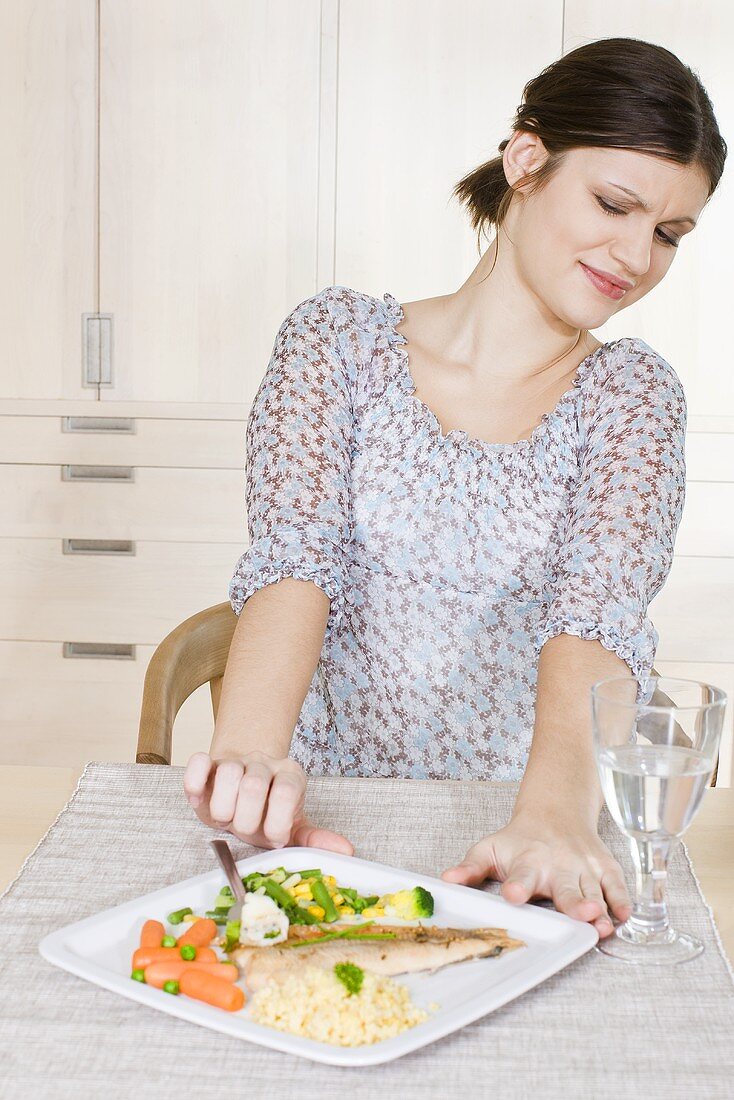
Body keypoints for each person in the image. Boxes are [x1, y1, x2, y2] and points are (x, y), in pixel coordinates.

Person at [183, 37, 726, 939]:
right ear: (526, 160)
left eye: (669, 235)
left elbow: (596, 622)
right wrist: (251, 756)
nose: (636, 255)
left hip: (519, 834)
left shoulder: (632, 396)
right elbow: (294, 560)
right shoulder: (336, 344)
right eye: (614, 204)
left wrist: (552, 818)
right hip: (333, 823)